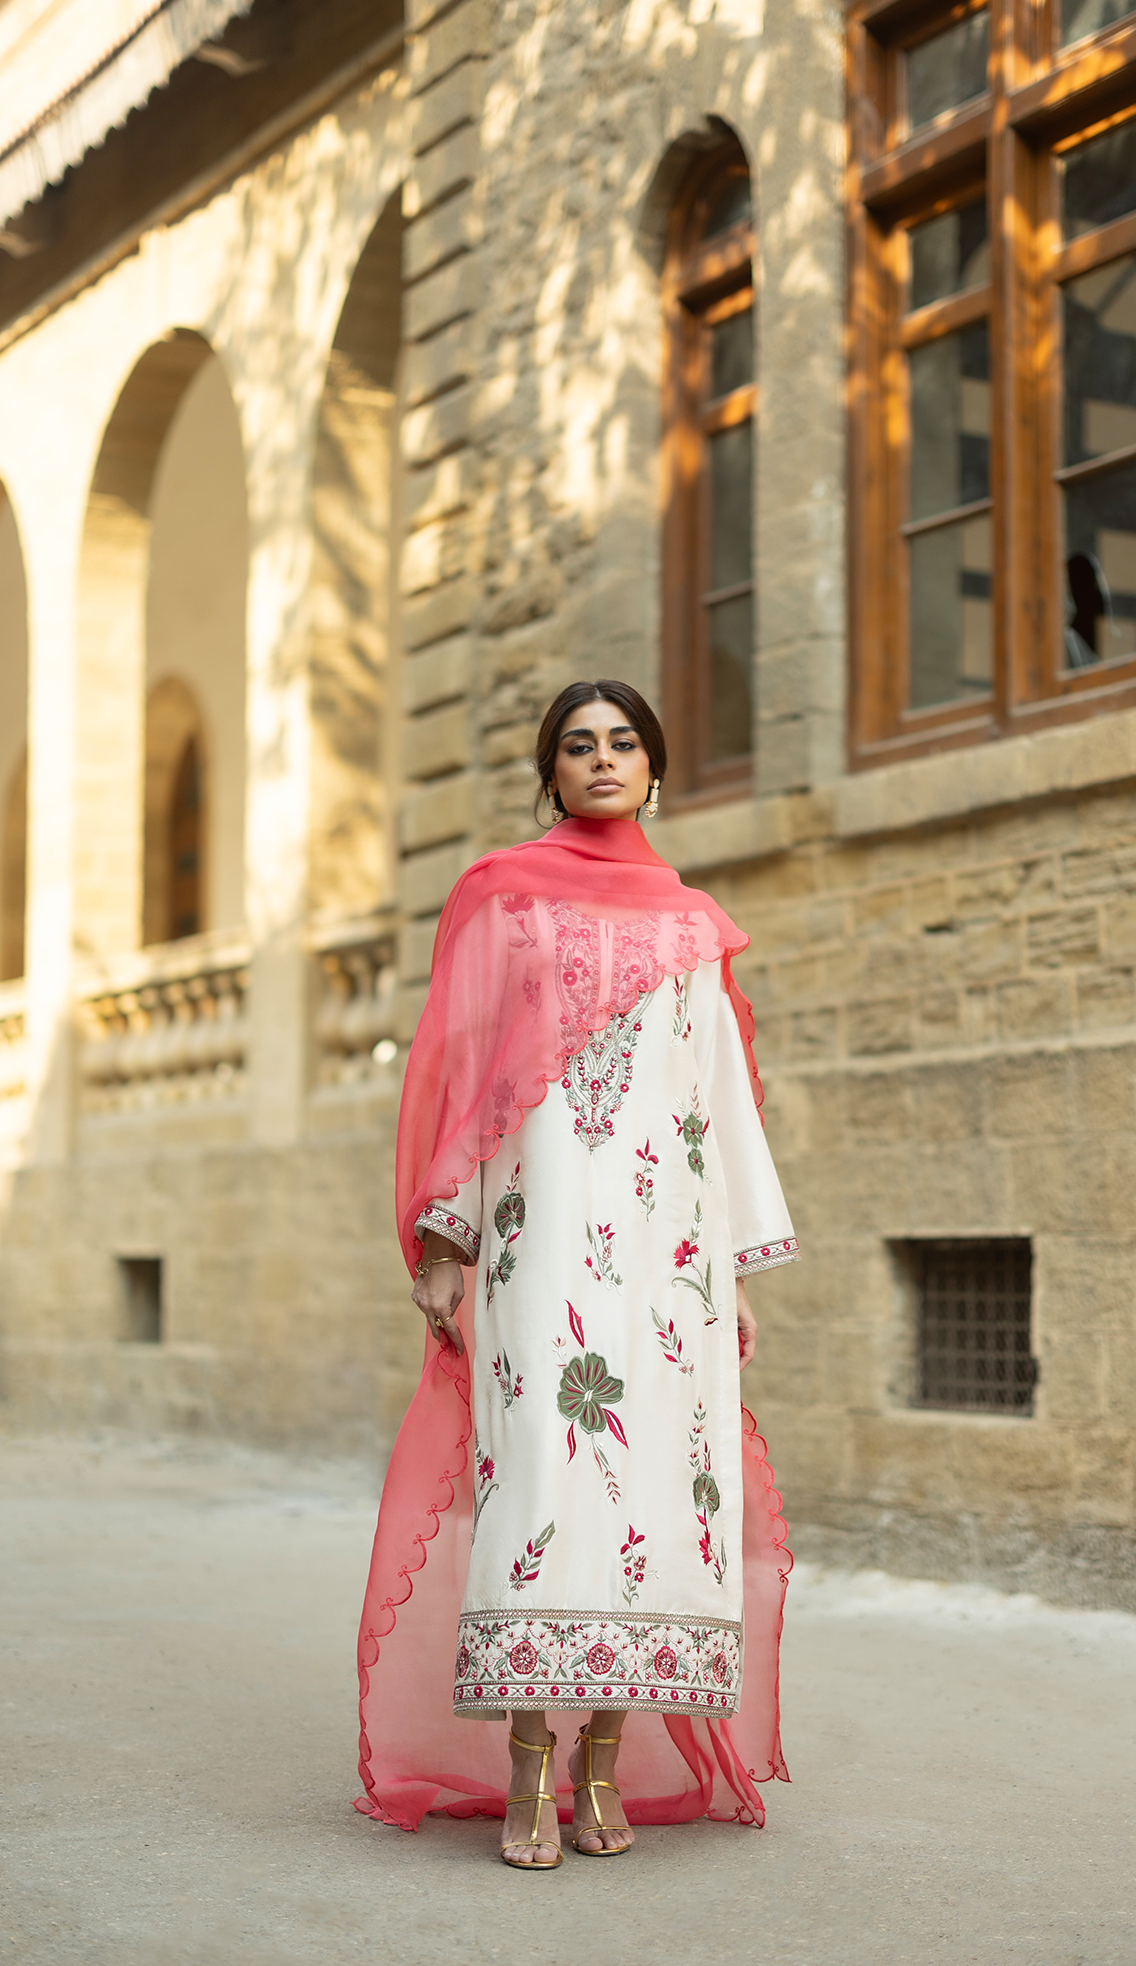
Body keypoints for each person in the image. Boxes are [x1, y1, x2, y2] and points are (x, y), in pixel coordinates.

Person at [354, 679, 798, 1870]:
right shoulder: (504, 899)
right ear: (549, 771)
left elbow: (718, 1099)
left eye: (624, 743)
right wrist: (447, 1241)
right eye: (578, 745)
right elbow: (461, 1077)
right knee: (541, 1486)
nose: (603, 759)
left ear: (655, 769)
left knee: (657, 1493)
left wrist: (733, 1277)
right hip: (538, 1242)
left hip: (668, 1260)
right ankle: (527, 1765)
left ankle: (601, 1763)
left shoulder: (693, 924)